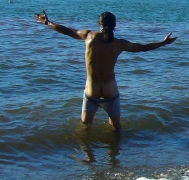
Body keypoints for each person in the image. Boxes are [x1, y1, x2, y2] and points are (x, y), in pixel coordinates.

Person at [34, 10, 177, 129]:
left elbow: (67, 31)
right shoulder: (119, 44)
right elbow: (142, 47)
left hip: (92, 90)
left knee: (85, 129)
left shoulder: (89, 36)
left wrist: (48, 22)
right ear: (115, 26)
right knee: (116, 129)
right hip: (110, 90)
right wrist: (163, 43)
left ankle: (88, 154)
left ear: (99, 24)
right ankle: (114, 154)